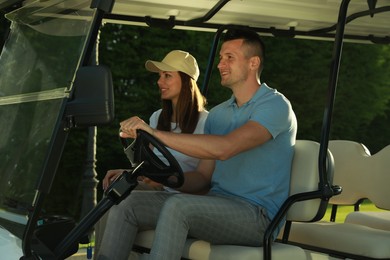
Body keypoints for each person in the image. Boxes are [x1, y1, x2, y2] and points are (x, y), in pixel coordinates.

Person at [96, 28, 297, 260]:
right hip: (216, 204)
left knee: (179, 206)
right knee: (124, 201)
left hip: (257, 216)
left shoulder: (275, 105)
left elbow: (225, 148)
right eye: (221, 58)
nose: (221, 64)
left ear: (253, 63)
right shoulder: (219, 115)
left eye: (229, 58)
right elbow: (202, 178)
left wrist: (152, 133)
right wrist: (161, 175)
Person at [94, 50, 208, 257]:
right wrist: (128, 172)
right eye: (159, 75)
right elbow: (151, 166)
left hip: (183, 196)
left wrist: (159, 180)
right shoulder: (157, 118)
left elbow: (203, 180)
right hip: (160, 190)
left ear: (186, 80)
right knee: (113, 189)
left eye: (167, 75)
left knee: (122, 201)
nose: (159, 81)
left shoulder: (206, 122)